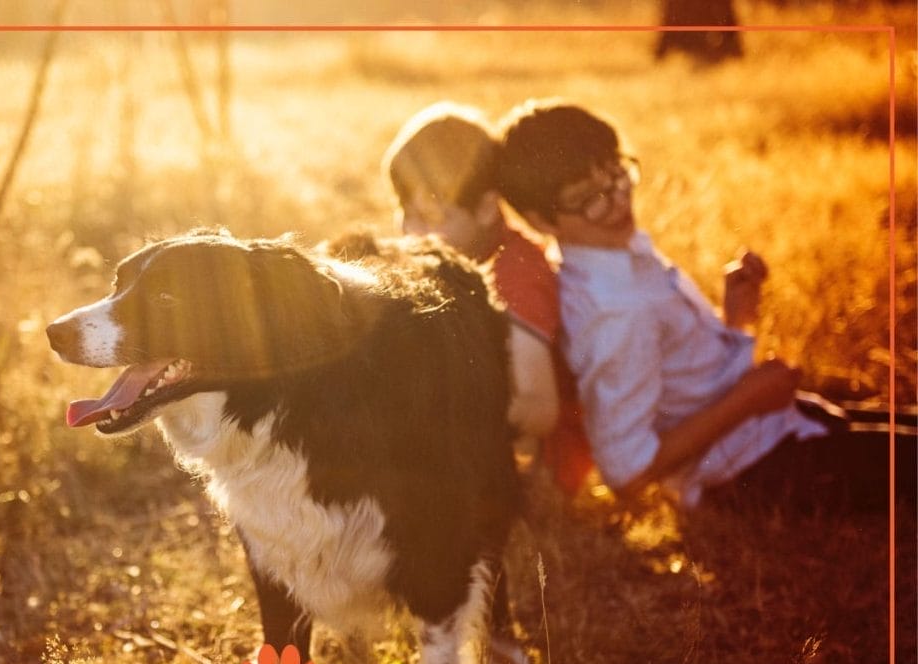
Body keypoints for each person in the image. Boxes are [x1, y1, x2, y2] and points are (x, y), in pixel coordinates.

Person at [491, 98, 915, 514]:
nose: (618, 201)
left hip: (777, 426)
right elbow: (627, 471)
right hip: (759, 468)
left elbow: (687, 381)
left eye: (617, 175)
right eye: (590, 198)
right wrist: (748, 399)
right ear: (541, 221)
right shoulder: (612, 311)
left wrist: (736, 318)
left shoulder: (620, 257)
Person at [382, 101, 593, 494]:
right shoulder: (453, 257)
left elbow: (540, 409)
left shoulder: (515, 274)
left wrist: (442, 417)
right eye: (405, 212)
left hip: (542, 467)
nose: (412, 232)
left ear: (485, 208)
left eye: (432, 218)